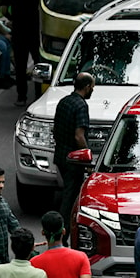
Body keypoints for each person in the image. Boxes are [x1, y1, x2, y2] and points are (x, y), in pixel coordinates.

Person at [53, 72, 94, 235]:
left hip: (61, 156)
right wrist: (87, 159)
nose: (92, 90)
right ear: (86, 87)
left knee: (67, 192)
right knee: (70, 198)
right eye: (92, 87)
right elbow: (79, 135)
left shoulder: (63, 102)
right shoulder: (81, 106)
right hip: (74, 160)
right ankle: (63, 233)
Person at [0, 0, 41, 107]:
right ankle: (39, 94)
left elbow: (4, 9)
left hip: (19, 29)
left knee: (20, 64)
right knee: (38, 63)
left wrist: (13, 18)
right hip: (35, 29)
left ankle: (21, 96)